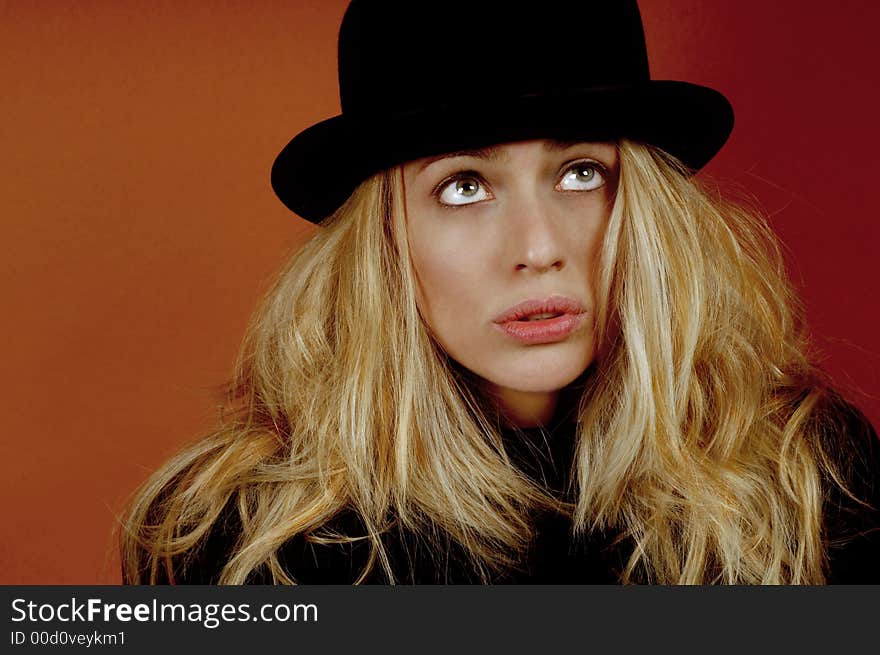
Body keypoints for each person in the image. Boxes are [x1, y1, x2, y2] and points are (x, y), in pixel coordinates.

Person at [120, 0, 880, 585]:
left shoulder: (801, 478)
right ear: (384, 240)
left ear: (644, 208)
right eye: (464, 186)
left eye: (582, 172)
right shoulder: (245, 539)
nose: (540, 247)